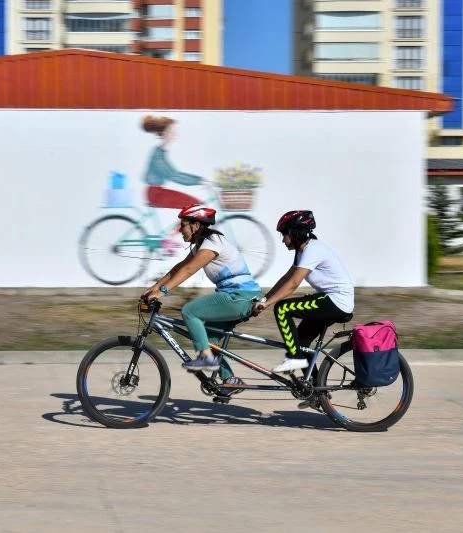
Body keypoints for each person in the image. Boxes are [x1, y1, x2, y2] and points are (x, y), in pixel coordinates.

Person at [142, 204, 264, 392]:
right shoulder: (202, 245)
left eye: (182, 225)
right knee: (209, 335)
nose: (179, 230)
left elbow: (189, 270)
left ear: (196, 225)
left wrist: (162, 292)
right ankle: (229, 379)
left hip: (240, 296)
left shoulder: (213, 241)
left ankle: (205, 358)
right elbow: (179, 268)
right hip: (235, 295)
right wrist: (154, 287)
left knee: (190, 311)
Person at [252, 210, 355, 373]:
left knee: (282, 308)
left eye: (284, 234)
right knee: (300, 345)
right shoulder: (303, 251)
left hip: (336, 301)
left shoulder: (312, 250)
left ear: (295, 232)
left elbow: (293, 284)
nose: (283, 240)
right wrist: (265, 299)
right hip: (330, 300)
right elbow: (286, 278)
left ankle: (295, 359)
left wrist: (269, 304)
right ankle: (315, 393)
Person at [141, 115, 204, 209]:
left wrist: (201, 180)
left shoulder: (161, 152)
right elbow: (174, 176)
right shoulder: (157, 155)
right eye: (172, 132)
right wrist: (200, 181)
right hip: (156, 194)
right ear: (164, 133)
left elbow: (174, 174)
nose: (175, 135)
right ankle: (184, 224)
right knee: (196, 205)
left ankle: (184, 224)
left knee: (196, 206)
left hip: (157, 192)